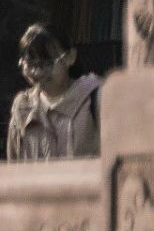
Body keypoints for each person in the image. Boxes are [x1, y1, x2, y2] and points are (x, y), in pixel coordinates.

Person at [6, 24, 101, 162]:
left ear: (70, 57)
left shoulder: (95, 97)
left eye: (45, 63)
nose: (36, 72)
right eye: (30, 64)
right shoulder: (22, 107)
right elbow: (13, 165)